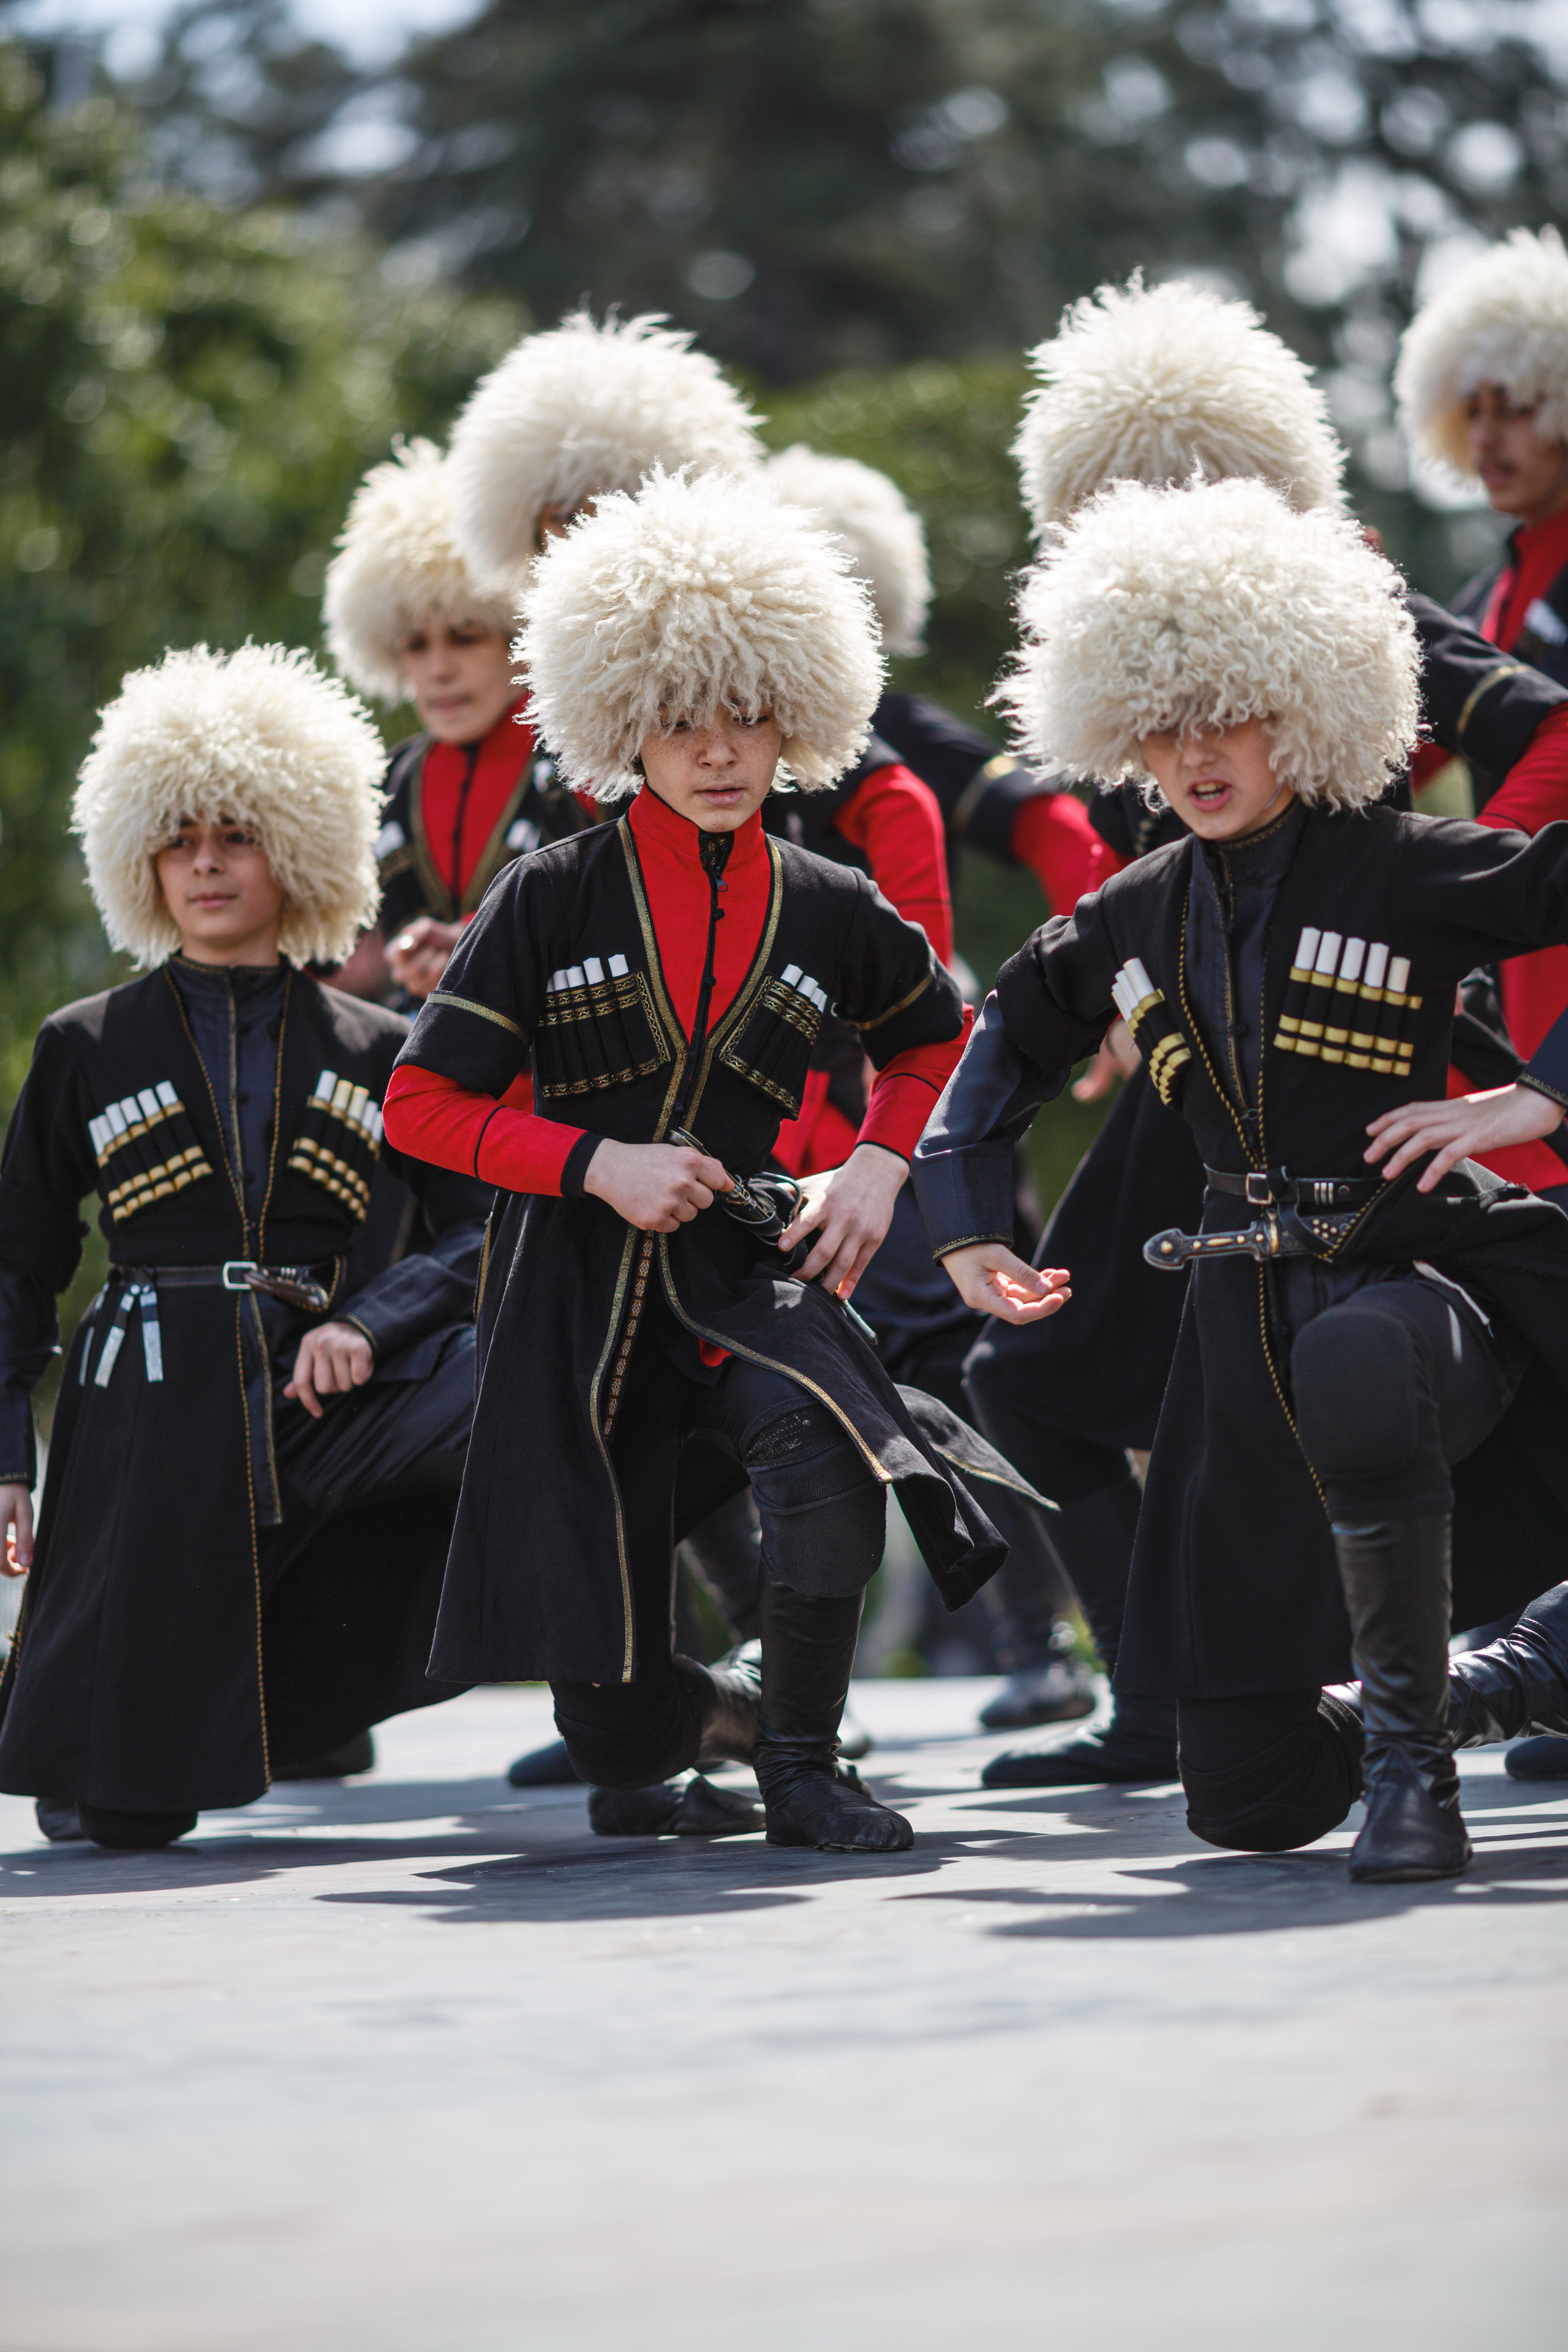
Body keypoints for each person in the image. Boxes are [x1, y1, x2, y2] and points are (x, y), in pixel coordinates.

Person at [957, 273, 1568, 1794]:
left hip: (1361, 1068)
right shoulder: (1113, 644)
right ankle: (1172, 1700)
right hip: (1191, 1068)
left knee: (1376, 1367)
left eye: (1191, 478)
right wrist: (1126, 973)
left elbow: (1549, 734)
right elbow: (1099, 880)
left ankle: (1466, 1685)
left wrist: (1440, 920)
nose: (1160, 517)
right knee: (1028, 1378)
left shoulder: (1331, 589)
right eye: (1123, 490)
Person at [382, 467, 1036, 1855]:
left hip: (749, 1268)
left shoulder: (832, 899)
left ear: (792, 710)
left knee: (831, 1455)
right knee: (616, 1744)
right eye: (680, 719)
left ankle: (804, 1764)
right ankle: (730, 1716)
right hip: (570, 1297)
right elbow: (422, 1104)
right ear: (623, 720)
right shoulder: (547, 890)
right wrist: (592, 1160)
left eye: (746, 714)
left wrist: (873, 1167)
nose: (719, 749)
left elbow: (938, 1038)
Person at [0, 645, 488, 1850]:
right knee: (121, 1818)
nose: (206, 865)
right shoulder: (83, 1045)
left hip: (324, 1395)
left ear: (303, 847)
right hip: (146, 1406)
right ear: (140, 859)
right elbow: (17, 1261)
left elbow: (487, 1225)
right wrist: (7, 1455)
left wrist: (368, 1324)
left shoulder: (382, 1045)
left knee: (560, 1384)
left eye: (236, 835)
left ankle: (640, 1707)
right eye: (178, 841)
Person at [762, 444, 1098, 1727]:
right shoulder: (698, 742)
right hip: (768, 1116)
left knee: (953, 1354)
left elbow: (1049, 830)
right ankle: (769, 1680)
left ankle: (1040, 1643)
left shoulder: (890, 739)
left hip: (916, 1100)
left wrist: (1114, 969)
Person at [322, 437, 598, 1006]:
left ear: (521, 639)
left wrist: (477, 944)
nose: (440, 669)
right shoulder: (386, 779)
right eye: (416, 645)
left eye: (467, 636)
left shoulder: (586, 756)